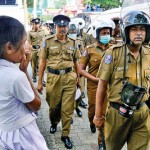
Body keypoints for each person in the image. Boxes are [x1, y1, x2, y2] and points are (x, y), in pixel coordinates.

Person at [94, 10, 150, 150]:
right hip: (117, 114)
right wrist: (98, 115)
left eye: (142, 29)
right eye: (134, 29)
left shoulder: (149, 53)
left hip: (142, 114)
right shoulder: (113, 53)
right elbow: (102, 86)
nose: (139, 33)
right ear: (126, 32)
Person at [0, 16, 48, 150]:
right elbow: (36, 105)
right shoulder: (15, 77)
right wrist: (24, 72)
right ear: (9, 47)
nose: (26, 47)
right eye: (23, 42)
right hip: (22, 137)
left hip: (5, 132)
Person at [38, 14, 81, 149]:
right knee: (53, 106)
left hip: (69, 78)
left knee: (67, 109)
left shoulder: (74, 43)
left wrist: (78, 78)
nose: (62, 29)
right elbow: (42, 62)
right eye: (59, 26)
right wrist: (39, 82)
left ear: (68, 28)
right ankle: (54, 122)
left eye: (64, 26)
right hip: (53, 78)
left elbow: (76, 61)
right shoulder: (48, 41)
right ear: (55, 27)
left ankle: (65, 134)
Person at [79, 19, 115, 148]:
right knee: (93, 110)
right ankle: (91, 121)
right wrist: (95, 79)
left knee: (104, 113)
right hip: (94, 86)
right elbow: (81, 70)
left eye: (108, 33)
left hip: (110, 87)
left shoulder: (114, 48)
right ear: (98, 34)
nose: (106, 35)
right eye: (103, 33)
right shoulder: (89, 50)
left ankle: (101, 141)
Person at [28, 18, 45, 85]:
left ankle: (42, 79)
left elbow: (45, 40)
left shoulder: (43, 31)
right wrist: (30, 48)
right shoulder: (30, 32)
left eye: (38, 24)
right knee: (34, 64)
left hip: (41, 50)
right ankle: (34, 76)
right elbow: (29, 42)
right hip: (33, 50)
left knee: (41, 65)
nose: (37, 25)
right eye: (35, 24)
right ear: (33, 24)